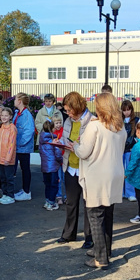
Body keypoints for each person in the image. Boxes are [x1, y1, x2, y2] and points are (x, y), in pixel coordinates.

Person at [66, 93, 124, 269]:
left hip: (97, 175)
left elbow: (83, 152)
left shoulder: (95, 126)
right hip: (114, 174)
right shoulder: (120, 127)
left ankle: (101, 258)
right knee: (107, 215)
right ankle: (105, 250)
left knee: (95, 216)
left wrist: (74, 146)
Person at [56, 92, 94, 248]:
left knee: (89, 205)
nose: (68, 114)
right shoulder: (68, 121)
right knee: (71, 203)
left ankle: (90, 237)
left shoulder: (92, 121)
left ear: (78, 107)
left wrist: (76, 146)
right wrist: (60, 143)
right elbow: (67, 140)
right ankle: (69, 234)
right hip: (70, 166)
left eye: (70, 110)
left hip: (86, 168)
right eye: (66, 111)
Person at [124, 121, 140, 225]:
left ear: (138, 131)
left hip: (138, 174)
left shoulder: (138, 146)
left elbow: (133, 162)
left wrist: (127, 173)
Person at [12, 93, 35, 201]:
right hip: (19, 146)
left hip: (23, 147)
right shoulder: (18, 113)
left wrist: (19, 143)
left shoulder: (26, 115)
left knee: (25, 169)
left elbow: (29, 131)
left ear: (20, 101)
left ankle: (26, 192)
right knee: (23, 168)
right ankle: (24, 190)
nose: (14, 100)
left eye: (16, 99)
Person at [0, 106, 17, 205]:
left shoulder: (12, 128)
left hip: (8, 159)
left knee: (9, 178)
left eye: (6, 115)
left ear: (10, 116)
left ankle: (10, 195)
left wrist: (8, 158)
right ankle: (5, 194)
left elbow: (12, 144)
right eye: (2, 115)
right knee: (2, 177)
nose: (3, 117)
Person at [39, 120, 63, 210]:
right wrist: (61, 160)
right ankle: (52, 202)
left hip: (45, 166)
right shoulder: (54, 141)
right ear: (52, 128)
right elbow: (58, 155)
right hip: (53, 167)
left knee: (47, 185)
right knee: (54, 185)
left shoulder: (42, 141)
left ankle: (47, 201)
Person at [120, 100, 139, 201]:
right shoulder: (119, 121)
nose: (126, 112)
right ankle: (120, 192)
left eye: (128, 110)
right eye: (124, 110)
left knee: (129, 171)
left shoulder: (136, 120)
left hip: (130, 149)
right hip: (120, 149)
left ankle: (130, 193)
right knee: (120, 170)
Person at [53, 117, 65, 204]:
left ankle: (67, 196)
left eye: (60, 122)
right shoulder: (52, 133)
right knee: (59, 179)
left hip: (64, 158)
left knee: (65, 179)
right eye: (56, 123)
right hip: (57, 160)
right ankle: (59, 196)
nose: (58, 124)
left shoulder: (64, 131)